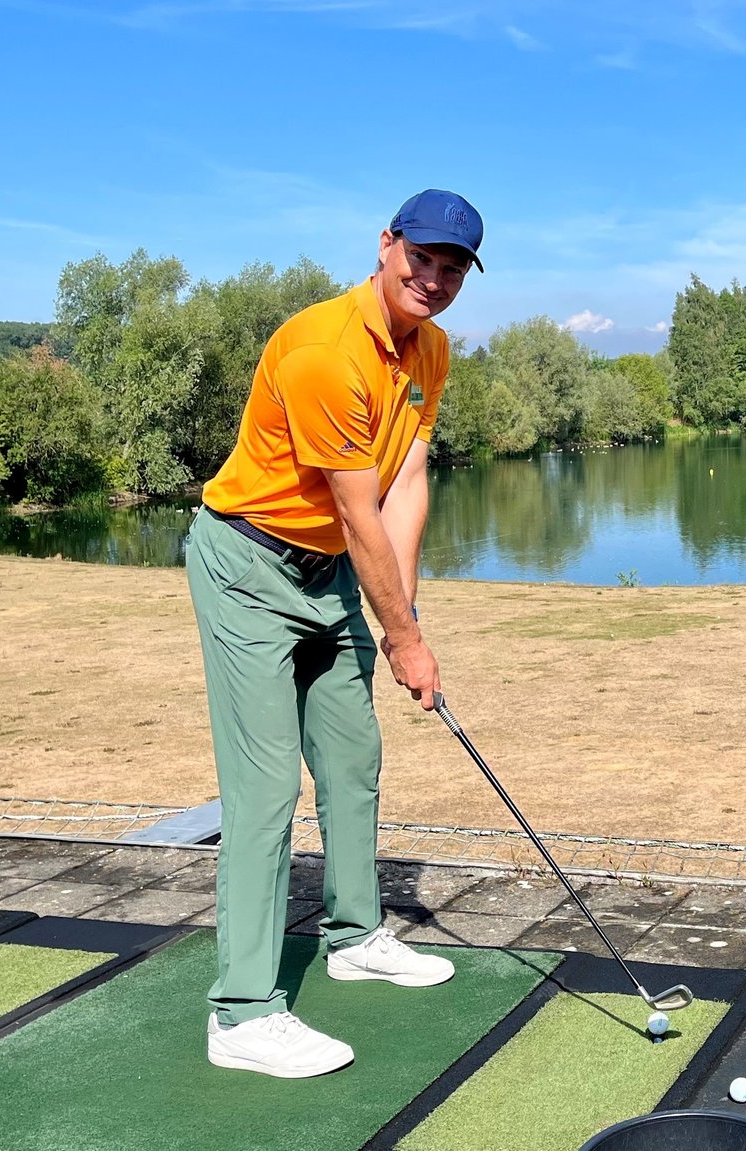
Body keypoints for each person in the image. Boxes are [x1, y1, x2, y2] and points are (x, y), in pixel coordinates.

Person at [185, 189, 483, 1078]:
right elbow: (358, 512)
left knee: (352, 759)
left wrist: (408, 623)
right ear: (386, 245)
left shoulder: (430, 350)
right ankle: (240, 1013)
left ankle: (355, 935)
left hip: (327, 577)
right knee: (266, 788)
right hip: (248, 567)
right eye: (421, 256)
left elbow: (406, 485)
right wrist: (402, 640)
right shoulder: (324, 350)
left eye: (452, 266)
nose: (432, 278)